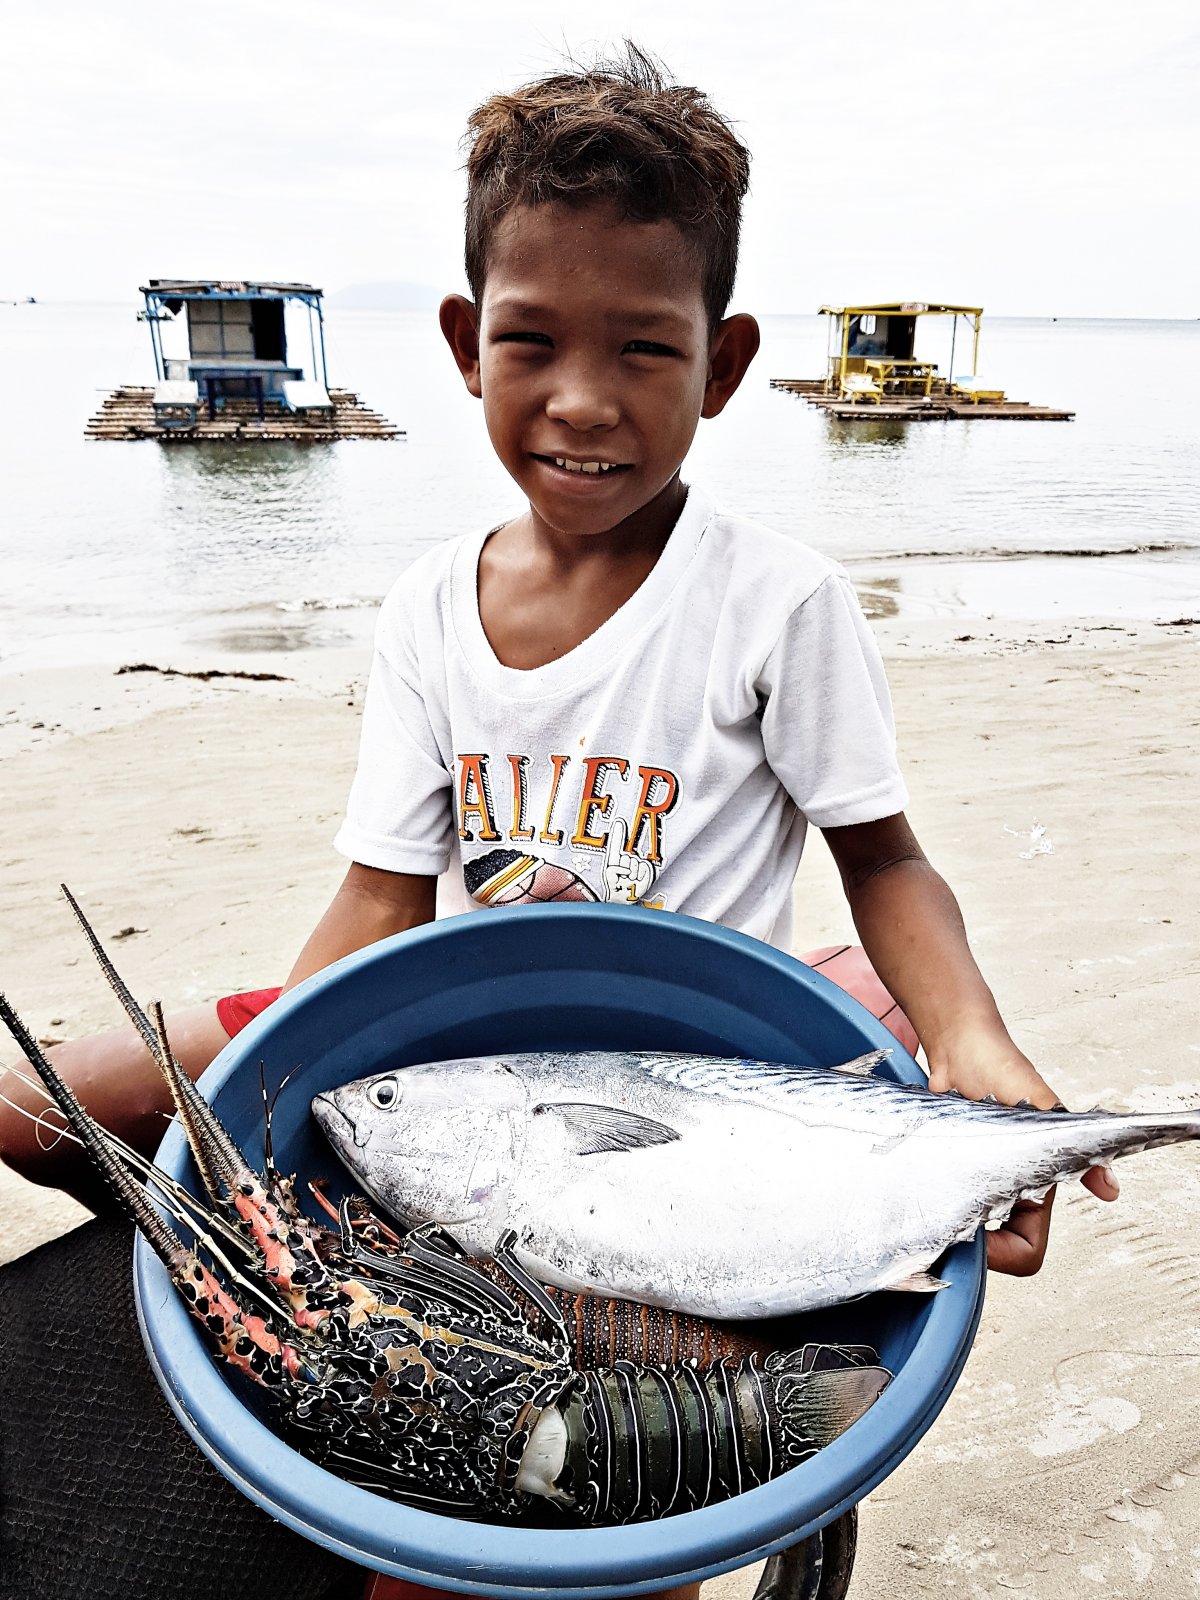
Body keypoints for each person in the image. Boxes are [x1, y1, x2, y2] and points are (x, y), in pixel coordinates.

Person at [1, 43, 1116, 1600]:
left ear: (722, 368)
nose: (582, 399)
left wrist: (973, 1039)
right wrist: (260, 1102)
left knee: (591, 1492)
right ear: (466, 344)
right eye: (532, 341)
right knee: (32, 1099)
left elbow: (887, 861)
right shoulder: (425, 609)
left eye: (644, 352)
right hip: (450, 1039)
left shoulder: (774, 603)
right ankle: (160, 1268)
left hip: (692, 1094)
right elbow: (381, 905)